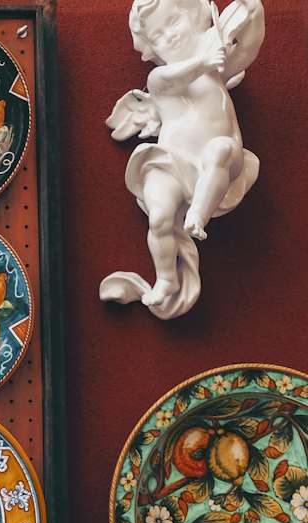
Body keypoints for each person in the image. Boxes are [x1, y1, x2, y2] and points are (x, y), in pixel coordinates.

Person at [99, 0, 264, 318]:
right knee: (159, 218)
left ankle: (197, 218)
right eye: (158, 36)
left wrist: (251, 10)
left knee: (219, 149)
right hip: (171, 160)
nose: (169, 37)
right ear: (151, 49)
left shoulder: (216, 66)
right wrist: (204, 61)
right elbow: (175, 77)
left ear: (195, 18)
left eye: (173, 22)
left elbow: (248, 44)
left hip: (219, 160)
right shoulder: (161, 78)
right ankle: (166, 280)